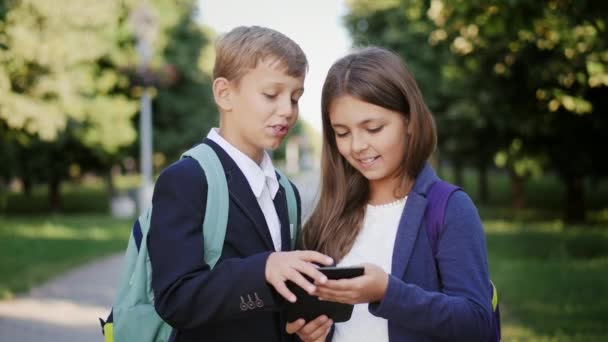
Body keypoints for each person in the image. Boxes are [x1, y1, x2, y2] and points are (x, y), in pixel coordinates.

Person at [287, 47, 494, 341]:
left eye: (373, 128)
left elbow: (476, 323)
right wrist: (312, 333)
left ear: (409, 120)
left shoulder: (449, 208)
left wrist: (387, 292)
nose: (357, 145)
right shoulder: (329, 214)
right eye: (342, 133)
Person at [147, 26, 333, 342]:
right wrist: (262, 269)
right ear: (224, 93)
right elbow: (175, 299)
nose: (287, 110)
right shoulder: (187, 180)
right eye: (271, 95)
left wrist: (305, 329)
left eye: (295, 97)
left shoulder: (285, 192)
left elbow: (278, 301)